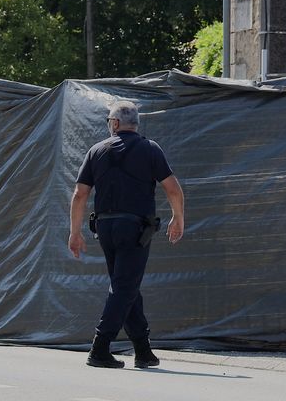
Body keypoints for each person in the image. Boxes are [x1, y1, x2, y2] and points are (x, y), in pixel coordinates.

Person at [68, 100, 185, 369]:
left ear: (116, 123)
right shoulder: (149, 149)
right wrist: (178, 218)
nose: (109, 126)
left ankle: (143, 351)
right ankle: (100, 346)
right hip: (134, 229)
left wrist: (74, 232)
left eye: (109, 122)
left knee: (126, 286)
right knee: (124, 286)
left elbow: (79, 195)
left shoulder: (95, 151)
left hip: (105, 229)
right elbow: (173, 189)